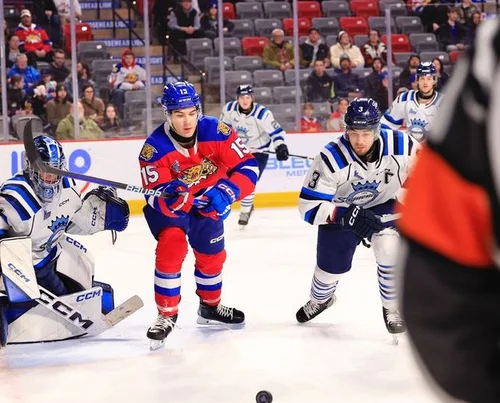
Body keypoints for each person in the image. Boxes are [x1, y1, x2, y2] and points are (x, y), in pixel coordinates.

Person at [398, 20, 500, 403]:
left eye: (428, 76)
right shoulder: (486, 69)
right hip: (437, 166)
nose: (424, 82)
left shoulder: (463, 86)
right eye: (420, 76)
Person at [138, 81, 258, 347]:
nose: (187, 121)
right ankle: (166, 314)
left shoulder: (216, 130)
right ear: (167, 115)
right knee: (172, 245)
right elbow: (152, 195)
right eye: (179, 115)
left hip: (208, 204)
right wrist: (171, 195)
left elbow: (248, 166)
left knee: (212, 256)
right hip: (174, 212)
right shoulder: (154, 148)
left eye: (192, 113)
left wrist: (228, 191)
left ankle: (210, 307)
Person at [296, 98, 419, 338]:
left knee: (388, 249)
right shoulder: (330, 158)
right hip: (343, 212)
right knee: (330, 270)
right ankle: (321, 300)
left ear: (377, 129)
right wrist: (344, 214)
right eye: (354, 133)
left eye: (366, 133)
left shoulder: (402, 144)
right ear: (346, 130)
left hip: (384, 204)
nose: (360, 141)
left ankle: (392, 307)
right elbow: (308, 207)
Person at [0, 134, 130, 346]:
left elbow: (67, 223)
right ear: (31, 168)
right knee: (30, 303)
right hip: (21, 268)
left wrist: (98, 218)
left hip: (51, 257)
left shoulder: (68, 187)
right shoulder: (15, 196)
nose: (51, 178)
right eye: (45, 172)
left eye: (56, 170)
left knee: (80, 292)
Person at [220, 84, 289, 227]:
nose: (245, 101)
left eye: (247, 97)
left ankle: (245, 210)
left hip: (258, 153)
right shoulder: (229, 110)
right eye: (241, 97)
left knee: (249, 182)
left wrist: (281, 147)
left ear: (252, 98)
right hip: (237, 151)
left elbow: (277, 133)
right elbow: (222, 130)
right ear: (237, 98)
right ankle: (245, 206)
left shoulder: (263, 114)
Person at [381, 62, 443, 142]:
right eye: (422, 78)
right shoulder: (404, 99)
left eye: (429, 78)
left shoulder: (443, 102)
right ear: (417, 80)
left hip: (432, 152)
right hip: (410, 150)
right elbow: (386, 125)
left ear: (435, 80)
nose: (425, 82)